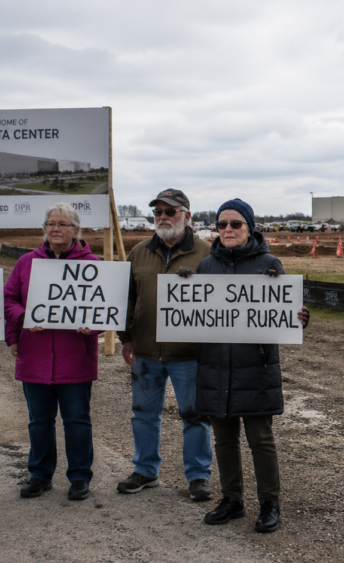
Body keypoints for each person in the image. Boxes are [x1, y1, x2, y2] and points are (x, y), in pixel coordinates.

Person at [194, 199, 309, 534]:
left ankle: (269, 503)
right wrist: (182, 288)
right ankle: (232, 500)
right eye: (222, 225)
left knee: (261, 439)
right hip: (215, 367)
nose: (228, 230)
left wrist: (300, 317)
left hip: (255, 368)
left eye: (235, 224)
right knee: (224, 440)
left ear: (250, 227)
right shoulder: (205, 267)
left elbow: (288, 314)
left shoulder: (268, 263)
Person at [115, 188, 215, 501]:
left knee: (195, 415)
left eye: (170, 212)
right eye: (158, 212)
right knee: (143, 413)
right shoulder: (139, 252)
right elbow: (126, 298)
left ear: (187, 215)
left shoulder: (207, 254)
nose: (162, 217)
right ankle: (145, 470)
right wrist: (126, 337)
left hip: (190, 354)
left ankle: (198, 476)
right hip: (145, 351)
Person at [3, 202, 100, 501]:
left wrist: (93, 326)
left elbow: (105, 308)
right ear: (44, 228)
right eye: (51, 223)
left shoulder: (93, 264)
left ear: (76, 230)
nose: (56, 229)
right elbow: (9, 299)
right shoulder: (26, 263)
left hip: (75, 357)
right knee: (39, 421)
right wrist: (23, 320)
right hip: (36, 356)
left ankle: (80, 477)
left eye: (63, 224)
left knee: (77, 420)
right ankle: (40, 475)